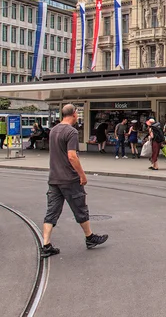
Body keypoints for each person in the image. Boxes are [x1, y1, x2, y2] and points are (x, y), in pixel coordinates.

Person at [40, 104, 108, 258]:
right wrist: (82, 175)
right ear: (74, 114)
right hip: (69, 178)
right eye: (77, 113)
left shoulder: (53, 131)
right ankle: (90, 237)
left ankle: (46, 244)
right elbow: (72, 156)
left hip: (54, 178)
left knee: (51, 212)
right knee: (80, 209)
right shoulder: (71, 132)